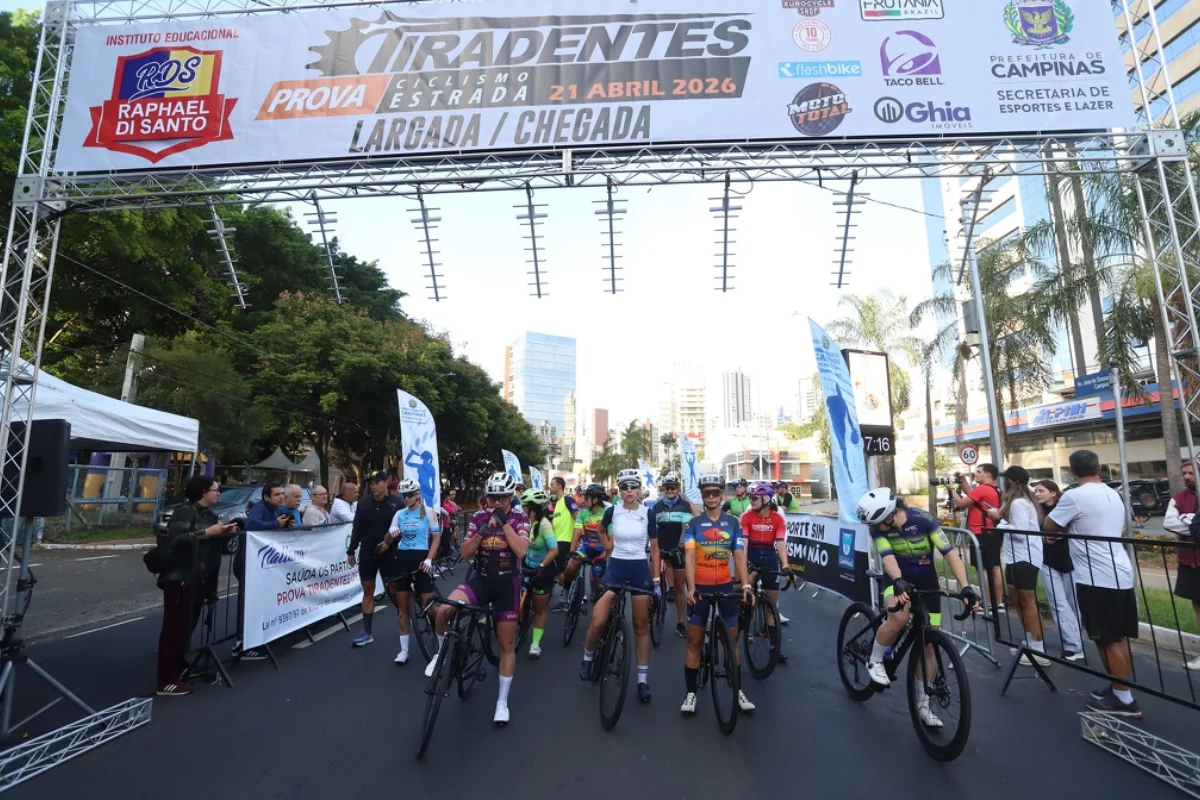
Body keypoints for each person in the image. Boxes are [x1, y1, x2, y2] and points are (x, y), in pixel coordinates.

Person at [857, 488, 977, 728]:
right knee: (898, 617)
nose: (877, 528)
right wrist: (899, 580)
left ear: (890, 514)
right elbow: (887, 557)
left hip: (927, 582)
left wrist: (966, 587)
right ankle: (876, 659)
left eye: (879, 523)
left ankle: (923, 705)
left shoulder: (924, 520)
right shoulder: (877, 528)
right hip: (896, 580)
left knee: (929, 646)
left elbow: (950, 554)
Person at [425, 472, 529, 726]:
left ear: (510, 497)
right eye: (493, 497)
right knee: (443, 612)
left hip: (507, 584)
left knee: (506, 644)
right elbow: (464, 552)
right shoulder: (479, 517)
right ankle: (440, 655)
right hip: (481, 579)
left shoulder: (519, 518)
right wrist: (482, 532)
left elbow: (521, 551)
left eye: (503, 497)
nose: (497, 502)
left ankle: (502, 702)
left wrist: (504, 523)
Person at [1045, 450, 1140, 717]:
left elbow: (1049, 524)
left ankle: (1124, 699)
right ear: (1099, 467)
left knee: (1106, 639)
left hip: (1095, 577)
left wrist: (1062, 528)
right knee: (1117, 638)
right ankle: (1120, 688)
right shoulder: (1112, 493)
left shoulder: (1074, 496)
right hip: (1120, 572)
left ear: (1072, 471)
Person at [579, 469, 660, 703]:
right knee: (598, 620)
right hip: (616, 567)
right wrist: (607, 550)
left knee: (640, 625)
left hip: (639, 569)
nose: (629, 491)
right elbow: (601, 530)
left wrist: (656, 581)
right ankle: (588, 658)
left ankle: (642, 681)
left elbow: (654, 549)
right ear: (619, 490)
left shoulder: (648, 513)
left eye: (633, 486)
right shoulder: (612, 511)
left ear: (639, 488)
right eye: (624, 487)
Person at [155, 475, 238, 696]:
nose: (218, 493)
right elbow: (176, 540)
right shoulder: (186, 510)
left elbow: (207, 544)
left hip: (197, 579)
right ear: (203, 491)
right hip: (179, 577)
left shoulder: (207, 514)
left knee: (186, 628)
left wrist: (222, 533)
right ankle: (165, 680)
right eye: (215, 490)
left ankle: (179, 666)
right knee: (173, 630)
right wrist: (207, 533)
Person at [681, 472, 756, 716]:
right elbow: (690, 557)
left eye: (715, 492)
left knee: (731, 641)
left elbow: (739, 556)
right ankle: (691, 693)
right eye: (707, 493)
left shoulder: (733, 523)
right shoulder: (693, 524)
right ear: (702, 496)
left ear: (723, 495)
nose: (711, 496)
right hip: (701, 587)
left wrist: (745, 585)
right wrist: (690, 588)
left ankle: (737, 689)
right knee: (694, 642)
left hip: (724, 586)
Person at [986, 466, 1048, 667]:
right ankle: (1030, 641)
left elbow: (1021, 533)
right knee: (1017, 598)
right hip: (1015, 557)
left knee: (1027, 600)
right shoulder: (1018, 502)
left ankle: (1038, 648)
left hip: (1026, 557)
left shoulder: (1019, 503)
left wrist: (999, 521)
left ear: (1010, 481)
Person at [376, 477, 440, 665]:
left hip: (421, 559)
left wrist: (429, 559)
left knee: (428, 605)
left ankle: (444, 628)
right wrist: (391, 532)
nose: (406, 499)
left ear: (418, 494)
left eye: (410, 495)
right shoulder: (399, 514)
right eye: (404, 496)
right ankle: (404, 650)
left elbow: (435, 539)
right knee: (402, 607)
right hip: (402, 559)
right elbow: (387, 541)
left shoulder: (428, 512)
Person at [346, 471, 404, 648]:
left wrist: (390, 541)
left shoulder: (397, 503)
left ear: (386, 483)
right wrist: (351, 550)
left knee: (393, 589)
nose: (373, 486)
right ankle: (367, 632)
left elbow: (404, 528)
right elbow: (357, 528)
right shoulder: (363, 503)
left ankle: (404, 616)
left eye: (377, 482)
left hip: (390, 551)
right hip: (368, 552)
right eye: (371, 483)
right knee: (368, 588)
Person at [742, 481, 794, 665]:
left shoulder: (777, 519)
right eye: (750, 497)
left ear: (766, 498)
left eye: (755, 497)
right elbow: (745, 542)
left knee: (771, 607)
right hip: (752, 557)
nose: (751, 500)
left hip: (770, 558)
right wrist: (745, 564)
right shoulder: (747, 517)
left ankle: (775, 647)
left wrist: (786, 565)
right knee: (745, 592)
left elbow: (780, 542)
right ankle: (744, 619)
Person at [240, 483, 292, 660]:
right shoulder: (259, 508)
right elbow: (251, 525)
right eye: (277, 494)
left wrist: (284, 525)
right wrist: (275, 524)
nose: (281, 497)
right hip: (248, 563)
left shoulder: (278, 509)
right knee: (250, 602)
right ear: (266, 497)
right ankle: (242, 643)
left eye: (282, 494)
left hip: (262, 565)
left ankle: (259, 637)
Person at [1035, 480, 1082, 661]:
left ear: (1053, 493)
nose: (1037, 494)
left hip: (1071, 561)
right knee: (1058, 603)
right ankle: (1073, 645)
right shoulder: (1036, 512)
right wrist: (1043, 539)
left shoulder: (1065, 507)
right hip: (1047, 562)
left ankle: (1076, 641)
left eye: (1041, 490)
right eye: (1036, 491)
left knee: (1073, 603)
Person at [648, 473, 697, 639]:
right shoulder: (657, 506)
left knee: (679, 588)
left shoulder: (685, 505)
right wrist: (651, 546)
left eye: (673, 487)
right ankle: (651, 608)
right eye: (667, 488)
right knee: (650, 582)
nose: (670, 490)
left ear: (678, 489)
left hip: (679, 549)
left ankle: (681, 622)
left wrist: (682, 545)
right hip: (660, 549)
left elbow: (692, 526)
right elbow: (651, 528)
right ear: (663, 489)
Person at [1163, 460, 1200, 670]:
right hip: (1189, 560)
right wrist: (1195, 524)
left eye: (1191, 473)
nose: (1186, 477)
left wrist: (1186, 520)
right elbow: (1169, 523)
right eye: (1184, 473)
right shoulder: (1180, 496)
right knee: (1198, 607)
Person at [954, 464, 1002, 611]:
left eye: (979, 472)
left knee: (984, 568)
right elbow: (972, 494)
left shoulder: (982, 489)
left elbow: (962, 502)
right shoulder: (993, 488)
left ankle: (988, 602)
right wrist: (962, 481)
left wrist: (951, 489)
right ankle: (998, 602)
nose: (976, 474)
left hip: (981, 533)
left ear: (988, 475)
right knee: (995, 566)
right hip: (991, 531)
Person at [521, 488, 559, 659]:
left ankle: (535, 644)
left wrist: (542, 565)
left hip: (542, 568)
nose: (522, 509)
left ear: (532, 507)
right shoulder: (524, 522)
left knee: (539, 608)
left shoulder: (544, 525)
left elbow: (554, 549)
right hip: (526, 564)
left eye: (524, 506)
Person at [561, 484, 610, 600]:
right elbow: (576, 533)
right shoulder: (583, 513)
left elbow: (611, 538)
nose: (584, 500)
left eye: (587, 498)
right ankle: (566, 590)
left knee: (600, 584)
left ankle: (598, 597)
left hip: (601, 550)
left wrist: (607, 553)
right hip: (586, 547)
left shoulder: (606, 514)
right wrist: (572, 551)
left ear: (596, 499)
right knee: (570, 566)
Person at [548, 476, 579, 592]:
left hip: (565, 541)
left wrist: (579, 535)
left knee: (558, 570)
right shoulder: (558, 503)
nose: (550, 487)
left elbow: (577, 516)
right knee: (558, 569)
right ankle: (570, 594)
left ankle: (568, 594)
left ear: (559, 486)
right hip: (557, 541)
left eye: (552, 484)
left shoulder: (568, 500)